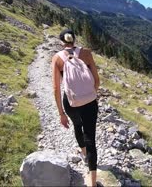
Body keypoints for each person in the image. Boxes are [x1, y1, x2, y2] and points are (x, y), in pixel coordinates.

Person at [51, 28, 101, 187]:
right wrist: (90, 95)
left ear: (62, 42)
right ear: (74, 39)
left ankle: (85, 155)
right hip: (90, 103)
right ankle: (93, 182)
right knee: (90, 137)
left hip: (71, 103)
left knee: (77, 126)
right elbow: (97, 80)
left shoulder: (57, 58)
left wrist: (61, 113)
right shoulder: (86, 53)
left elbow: (56, 88)